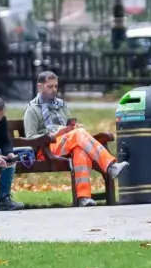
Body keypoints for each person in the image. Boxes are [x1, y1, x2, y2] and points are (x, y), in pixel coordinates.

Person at [23, 70, 123, 206]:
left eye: (56, 86)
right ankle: (110, 166)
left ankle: (84, 198)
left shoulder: (61, 105)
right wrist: (55, 134)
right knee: (78, 134)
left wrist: (72, 128)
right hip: (46, 149)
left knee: (79, 150)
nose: (54, 90)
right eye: (49, 86)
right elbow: (31, 139)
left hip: (67, 142)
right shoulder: (32, 109)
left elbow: (68, 126)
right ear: (40, 87)